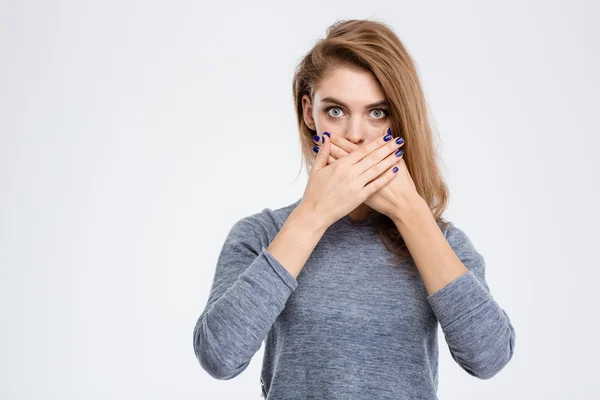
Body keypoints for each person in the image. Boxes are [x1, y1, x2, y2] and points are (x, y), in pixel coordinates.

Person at [193, 18, 515, 399]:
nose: (356, 134)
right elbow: (219, 356)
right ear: (309, 113)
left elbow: (489, 358)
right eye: (336, 111)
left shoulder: (442, 242)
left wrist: (412, 214)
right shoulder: (261, 234)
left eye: (377, 113)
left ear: (400, 121)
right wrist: (313, 215)